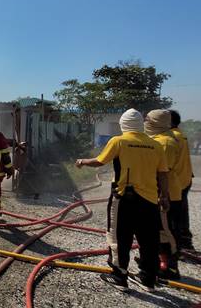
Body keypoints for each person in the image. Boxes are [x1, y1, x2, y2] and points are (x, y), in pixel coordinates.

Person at [76, 108, 170, 292]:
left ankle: (119, 277)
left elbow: (100, 161)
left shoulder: (119, 141)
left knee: (119, 236)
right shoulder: (155, 144)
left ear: (123, 124)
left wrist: (82, 161)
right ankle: (148, 279)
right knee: (149, 239)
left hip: (124, 199)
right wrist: (164, 196)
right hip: (150, 200)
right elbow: (163, 173)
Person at [145, 110, 181, 279]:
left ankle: (170, 267)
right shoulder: (161, 139)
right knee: (156, 230)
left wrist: (163, 195)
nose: (145, 122)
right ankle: (157, 261)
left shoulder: (165, 143)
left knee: (165, 231)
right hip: (158, 192)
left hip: (164, 194)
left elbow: (162, 172)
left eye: (148, 120)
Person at [169, 110, 195, 250]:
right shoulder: (181, 134)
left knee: (172, 214)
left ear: (170, 122)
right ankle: (185, 240)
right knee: (182, 210)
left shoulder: (171, 137)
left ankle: (174, 245)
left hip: (176, 181)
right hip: (185, 178)